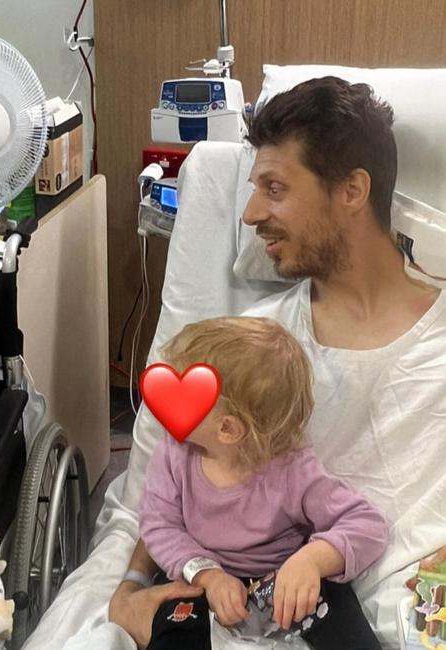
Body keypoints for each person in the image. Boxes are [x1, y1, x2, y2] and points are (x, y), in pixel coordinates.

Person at [109, 76, 446, 649]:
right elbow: (176, 477)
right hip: (256, 607)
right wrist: (129, 589)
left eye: (275, 188)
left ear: (351, 191)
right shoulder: (259, 350)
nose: (248, 213)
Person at [139, 316, 388, 649]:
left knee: (338, 608)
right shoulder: (173, 454)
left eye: (184, 396)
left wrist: (312, 560)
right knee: (174, 621)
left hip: (283, 579)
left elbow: (367, 526)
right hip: (201, 582)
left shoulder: (293, 468)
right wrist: (207, 575)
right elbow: (159, 526)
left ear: (228, 429)